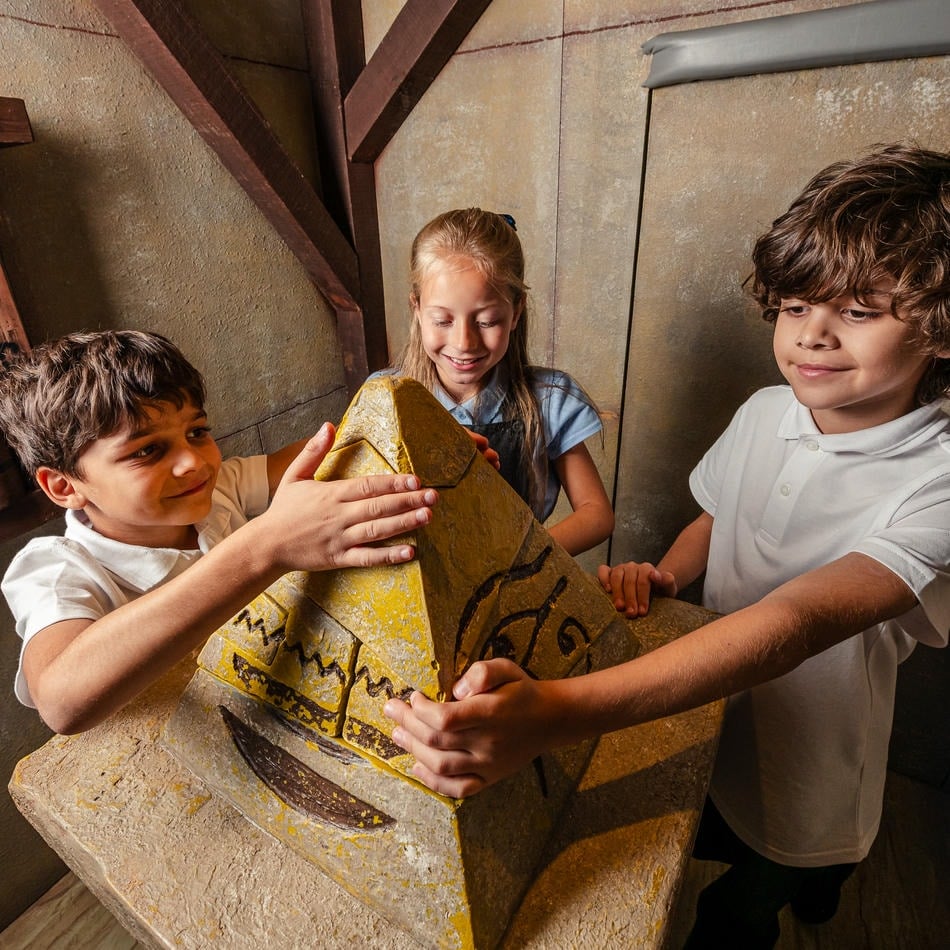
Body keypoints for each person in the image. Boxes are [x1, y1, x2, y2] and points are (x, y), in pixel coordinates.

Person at [383, 143, 950, 947]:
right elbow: (719, 514)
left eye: (859, 312)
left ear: (941, 326)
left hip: (810, 761)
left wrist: (552, 715)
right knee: (695, 832)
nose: (813, 337)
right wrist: (670, 576)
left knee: (755, 899)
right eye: (796, 307)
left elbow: (796, 622)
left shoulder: (938, 477)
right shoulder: (764, 411)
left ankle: (823, 886)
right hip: (703, 708)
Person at [0, 330, 437, 735]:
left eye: (197, 432)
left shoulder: (218, 489)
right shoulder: (56, 569)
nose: (193, 462)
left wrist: (416, 440)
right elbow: (61, 701)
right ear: (64, 486)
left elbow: (329, 456)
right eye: (147, 450)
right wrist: (266, 546)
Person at [384, 207, 614, 556]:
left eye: (487, 321)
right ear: (417, 308)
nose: (464, 343)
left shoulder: (549, 400)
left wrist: (520, 561)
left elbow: (596, 514)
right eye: (443, 321)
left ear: (516, 312)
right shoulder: (388, 398)